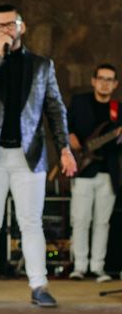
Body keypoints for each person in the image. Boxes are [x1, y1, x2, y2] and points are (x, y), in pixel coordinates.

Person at [0, 4, 77, 308]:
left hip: (31, 154)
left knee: (31, 222)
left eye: (10, 25)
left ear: (21, 27)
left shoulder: (42, 65)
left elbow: (55, 108)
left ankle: (39, 285)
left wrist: (64, 147)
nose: (5, 30)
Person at [67, 63, 120, 282]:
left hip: (108, 172)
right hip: (83, 170)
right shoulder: (80, 103)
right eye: (101, 78)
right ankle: (79, 266)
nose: (105, 83)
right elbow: (64, 124)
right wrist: (70, 136)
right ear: (93, 80)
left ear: (115, 84)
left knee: (102, 222)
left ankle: (98, 267)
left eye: (110, 80)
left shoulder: (118, 109)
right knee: (80, 220)